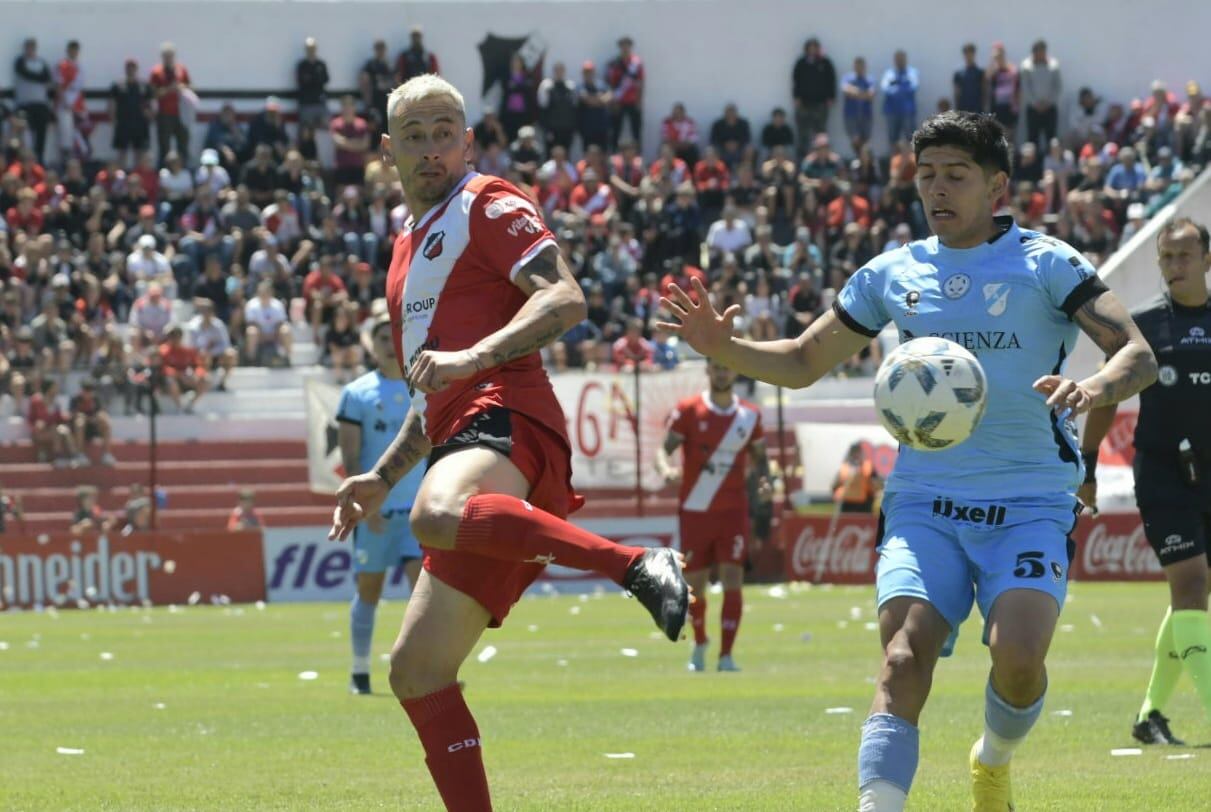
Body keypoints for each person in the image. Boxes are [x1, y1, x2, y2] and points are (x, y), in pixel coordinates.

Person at [657, 111, 1157, 811]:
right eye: (926, 177)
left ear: (997, 185)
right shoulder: (892, 272)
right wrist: (722, 348)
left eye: (955, 176)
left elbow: (1136, 351)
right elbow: (804, 361)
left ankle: (991, 761)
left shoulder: (1047, 263)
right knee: (899, 659)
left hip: (1029, 503)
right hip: (925, 503)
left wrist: (1093, 386)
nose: (937, 190)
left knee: (1016, 662)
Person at [327, 75, 688, 811]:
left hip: (510, 416)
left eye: (444, 130)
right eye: (414, 135)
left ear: (467, 137)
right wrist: (381, 476)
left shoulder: (487, 203)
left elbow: (565, 297)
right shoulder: (406, 245)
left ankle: (636, 561)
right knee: (416, 670)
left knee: (435, 513)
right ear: (388, 150)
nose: (431, 148)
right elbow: (433, 386)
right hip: (461, 430)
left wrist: (473, 358)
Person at [1079, 218, 1211, 747]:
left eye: (1184, 256)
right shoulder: (1144, 329)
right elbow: (1108, 396)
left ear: (1206, 260)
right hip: (1162, 476)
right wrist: (1086, 466)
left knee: (1192, 598)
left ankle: (1150, 715)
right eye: (1166, 258)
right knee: (1192, 584)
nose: (1174, 267)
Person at [334, 314, 428, 694]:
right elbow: (351, 457)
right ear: (369, 344)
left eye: (394, 336)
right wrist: (362, 505)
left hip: (418, 512)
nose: (389, 343)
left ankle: (423, 672)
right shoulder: (356, 394)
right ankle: (359, 672)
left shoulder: (421, 388)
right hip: (377, 514)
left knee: (423, 594)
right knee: (369, 592)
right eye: (380, 337)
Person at [656, 360, 769, 673]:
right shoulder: (689, 410)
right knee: (695, 585)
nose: (722, 373)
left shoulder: (749, 414)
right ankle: (701, 642)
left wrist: (764, 482)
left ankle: (727, 656)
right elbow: (663, 450)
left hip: (733, 511)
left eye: (727, 368)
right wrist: (665, 469)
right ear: (707, 371)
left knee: (734, 579)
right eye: (717, 368)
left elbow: (761, 460)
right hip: (695, 509)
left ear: (735, 372)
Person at [791, 37, 837, 155]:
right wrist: (796, 97)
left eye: (814, 47)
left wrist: (831, 97)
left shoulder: (825, 62)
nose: (812, 50)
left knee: (820, 134)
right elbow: (796, 80)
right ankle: (802, 159)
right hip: (804, 103)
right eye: (810, 47)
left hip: (820, 104)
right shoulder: (801, 63)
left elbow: (831, 80)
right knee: (803, 133)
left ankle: (822, 159)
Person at [149, 42, 191, 164]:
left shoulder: (181, 70)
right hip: (164, 114)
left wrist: (182, 87)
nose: (168, 59)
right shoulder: (156, 72)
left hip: (182, 113)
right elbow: (153, 94)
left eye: (170, 56)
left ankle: (184, 171)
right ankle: (163, 171)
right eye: (166, 56)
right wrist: (169, 89)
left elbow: (190, 87)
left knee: (183, 144)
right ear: (162, 57)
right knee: (164, 146)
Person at [13, 38, 53, 164]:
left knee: (41, 133)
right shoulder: (20, 61)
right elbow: (25, 73)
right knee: (26, 133)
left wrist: (38, 77)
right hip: (24, 104)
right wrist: (39, 78)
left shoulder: (42, 63)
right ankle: (26, 159)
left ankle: (39, 158)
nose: (30, 50)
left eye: (32, 48)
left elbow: (47, 77)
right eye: (28, 47)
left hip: (40, 104)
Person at [109, 58, 153, 168]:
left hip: (140, 123)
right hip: (123, 123)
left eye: (133, 67)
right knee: (122, 152)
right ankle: (121, 176)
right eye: (129, 67)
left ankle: (137, 175)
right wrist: (113, 119)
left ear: (136, 69)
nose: (131, 70)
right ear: (125, 69)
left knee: (139, 152)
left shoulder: (144, 85)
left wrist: (150, 114)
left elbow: (151, 102)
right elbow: (112, 103)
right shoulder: (118, 85)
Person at [1020, 39, 1062, 149]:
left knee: (1051, 138)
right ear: (1034, 52)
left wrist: (1048, 103)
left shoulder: (1054, 66)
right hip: (1033, 109)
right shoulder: (1026, 67)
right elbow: (1026, 88)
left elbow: (1057, 87)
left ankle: (1051, 163)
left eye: (1043, 52)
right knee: (1032, 139)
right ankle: (1034, 165)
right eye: (1038, 52)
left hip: (1050, 108)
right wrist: (1035, 104)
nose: (1041, 55)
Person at [606, 36, 644, 149]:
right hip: (619, 101)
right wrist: (613, 102)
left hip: (633, 101)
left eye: (627, 45)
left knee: (636, 131)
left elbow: (640, 83)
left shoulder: (637, 63)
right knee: (615, 130)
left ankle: (637, 156)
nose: (625, 48)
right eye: (623, 46)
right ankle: (614, 155)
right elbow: (611, 84)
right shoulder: (614, 63)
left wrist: (639, 101)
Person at [880, 51, 919, 146]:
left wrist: (895, 87)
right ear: (894, 60)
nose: (900, 61)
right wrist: (902, 87)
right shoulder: (889, 73)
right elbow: (884, 88)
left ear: (906, 59)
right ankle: (894, 160)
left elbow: (914, 86)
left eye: (902, 59)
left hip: (908, 111)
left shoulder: (912, 72)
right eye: (897, 59)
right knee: (893, 139)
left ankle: (912, 160)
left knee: (911, 139)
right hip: (892, 111)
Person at [832, 441, 880, 513]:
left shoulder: (867, 467)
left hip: (862, 503)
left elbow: (876, 484)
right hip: (848, 503)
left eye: (857, 453)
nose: (856, 455)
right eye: (855, 453)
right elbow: (836, 485)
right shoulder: (845, 468)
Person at [295, 37, 330, 131]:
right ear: (306, 50)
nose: (311, 50)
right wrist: (316, 79)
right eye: (309, 48)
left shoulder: (321, 64)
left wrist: (311, 79)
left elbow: (326, 79)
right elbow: (301, 81)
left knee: (325, 129)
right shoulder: (302, 65)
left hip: (320, 102)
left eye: (313, 48)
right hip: (306, 103)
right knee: (306, 132)